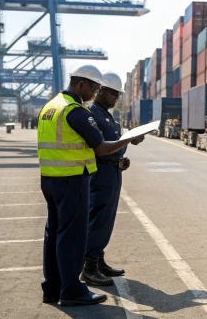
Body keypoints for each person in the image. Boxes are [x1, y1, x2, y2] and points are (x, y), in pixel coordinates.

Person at [37, 65, 144, 307]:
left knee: (53, 234)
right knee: (72, 237)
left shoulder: (51, 106)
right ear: (82, 85)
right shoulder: (75, 111)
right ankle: (72, 290)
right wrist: (128, 138)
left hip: (50, 178)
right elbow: (102, 147)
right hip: (72, 180)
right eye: (94, 88)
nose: (94, 93)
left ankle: (52, 288)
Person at [81, 71, 141, 286]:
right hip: (100, 175)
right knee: (97, 220)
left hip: (112, 172)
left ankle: (98, 259)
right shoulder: (92, 114)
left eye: (118, 95)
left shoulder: (105, 114)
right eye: (113, 94)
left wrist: (121, 158)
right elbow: (97, 147)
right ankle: (89, 267)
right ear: (101, 91)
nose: (116, 98)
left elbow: (113, 143)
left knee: (106, 220)